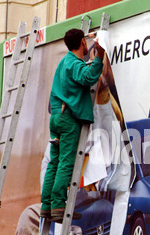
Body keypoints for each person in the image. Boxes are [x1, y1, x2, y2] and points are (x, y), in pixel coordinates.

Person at [41, 28, 105, 222]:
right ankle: (59, 206)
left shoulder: (64, 62)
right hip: (68, 119)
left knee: (55, 162)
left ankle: (47, 205)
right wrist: (99, 57)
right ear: (83, 43)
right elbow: (87, 77)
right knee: (66, 162)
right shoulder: (73, 63)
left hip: (57, 118)